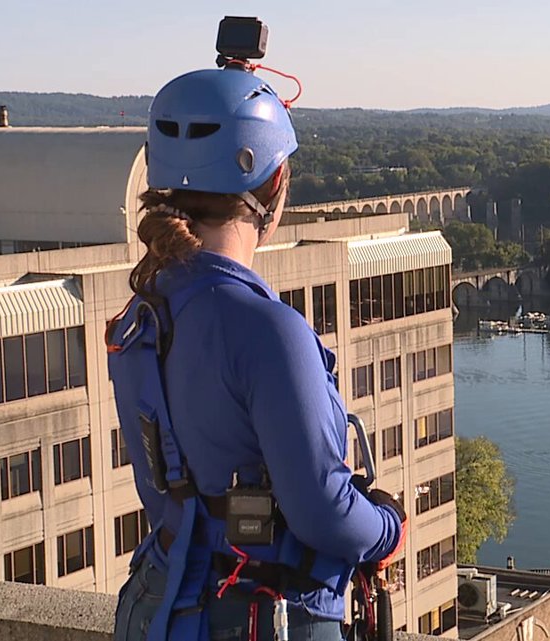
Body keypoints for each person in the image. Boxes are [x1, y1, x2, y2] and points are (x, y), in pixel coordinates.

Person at [106, 64, 405, 641]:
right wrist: (388, 529)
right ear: (276, 186)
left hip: (157, 603)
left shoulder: (144, 312)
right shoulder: (270, 331)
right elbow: (323, 510)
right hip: (255, 615)